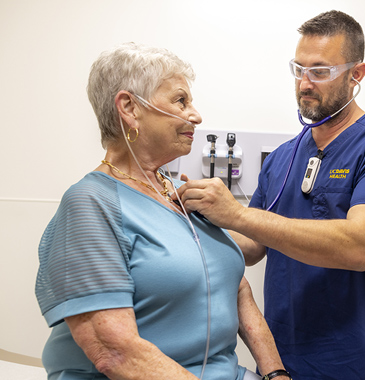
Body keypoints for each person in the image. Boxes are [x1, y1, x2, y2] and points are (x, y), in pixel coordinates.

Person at [178, 10, 365, 380]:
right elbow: (251, 246)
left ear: (356, 75)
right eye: (298, 69)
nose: (304, 83)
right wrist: (193, 220)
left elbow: (359, 247)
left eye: (320, 71)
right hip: (285, 359)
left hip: (364, 359)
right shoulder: (282, 158)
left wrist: (236, 213)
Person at [35, 43, 291, 380]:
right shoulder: (91, 204)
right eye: (181, 100)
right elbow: (117, 353)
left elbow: (237, 287)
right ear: (129, 107)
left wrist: (275, 373)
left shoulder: (179, 192)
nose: (196, 115)